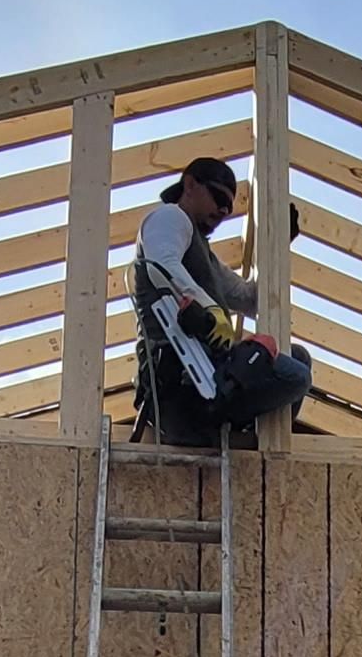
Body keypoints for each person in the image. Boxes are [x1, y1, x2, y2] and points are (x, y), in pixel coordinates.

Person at [132, 156, 314, 446]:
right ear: (190, 184)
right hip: (180, 380)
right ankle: (230, 437)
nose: (223, 210)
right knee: (296, 375)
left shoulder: (203, 256)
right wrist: (208, 308)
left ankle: (236, 435)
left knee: (297, 358)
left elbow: (250, 299)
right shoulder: (170, 217)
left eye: (229, 207)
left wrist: (277, 247)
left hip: (208, 374)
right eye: (218, 197)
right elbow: (160, 263)